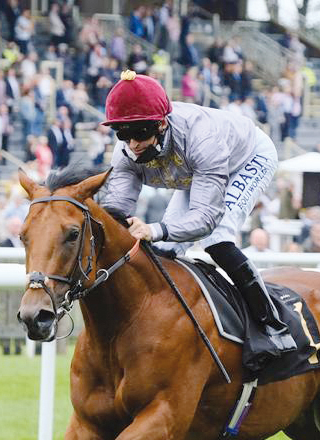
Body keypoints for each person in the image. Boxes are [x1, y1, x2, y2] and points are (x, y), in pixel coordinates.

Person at [99, 70, 296, 364]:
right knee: (166, 251)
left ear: (161, 124)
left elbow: (206, 219)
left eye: (140, 132)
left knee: (216, 239)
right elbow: (116, 210)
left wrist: (154, 229)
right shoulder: (125, 152)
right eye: (123, 134)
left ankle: (272, 326)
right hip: (196, 173)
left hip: (246, 157)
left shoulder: (203, 138)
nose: (133, 144)